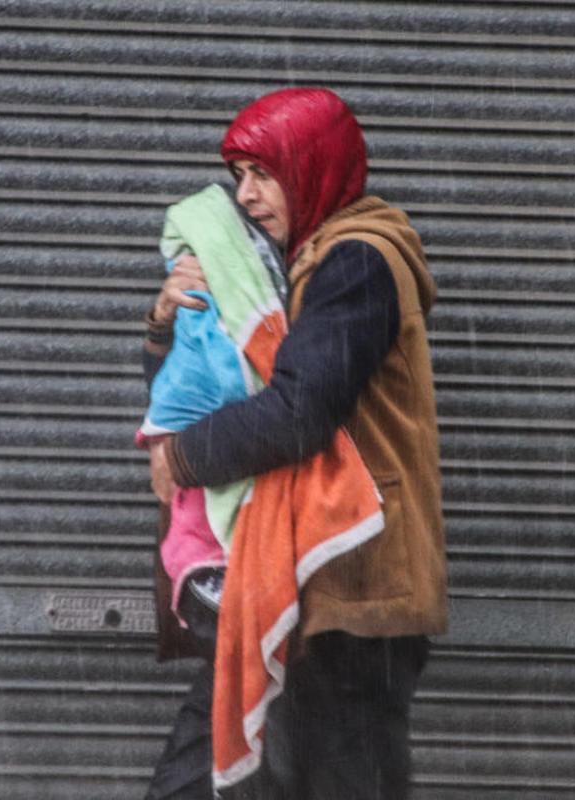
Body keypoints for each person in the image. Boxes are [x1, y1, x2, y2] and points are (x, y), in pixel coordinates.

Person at [142, 87, 447, 800]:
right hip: (296, 584)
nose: (245, 197)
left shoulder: (359, 262)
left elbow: (299, 410)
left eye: (264, 174)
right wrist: (164, 321)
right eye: (239, 176)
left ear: (315, 168)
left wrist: (181, 459)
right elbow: (206, 391)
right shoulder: (283, 269)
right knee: (214, 777)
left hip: (354, 594)